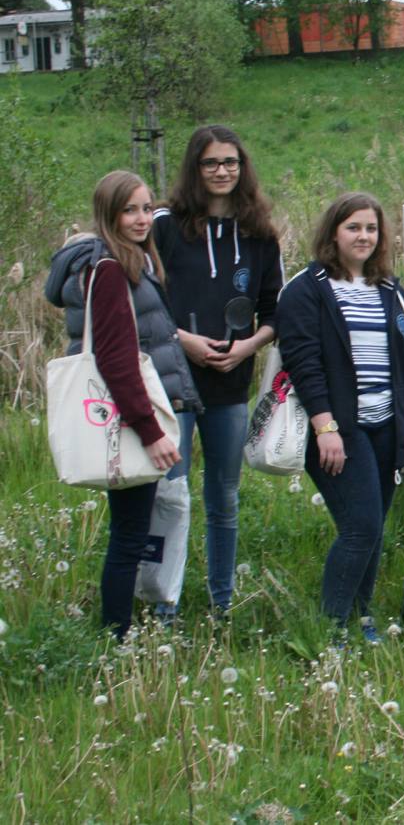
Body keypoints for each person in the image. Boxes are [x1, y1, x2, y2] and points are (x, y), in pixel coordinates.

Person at [44, 170, 201, 639]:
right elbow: (116, 360)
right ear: (108, 214)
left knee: (130, 529)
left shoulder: (126, 261)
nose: (141, 219)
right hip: (130, 419)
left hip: (127, 415)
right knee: (130, 534)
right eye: (129, 210)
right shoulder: (110, 269)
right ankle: (116, 637)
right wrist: (150, 432)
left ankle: (124, 628)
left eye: (147, 208)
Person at [276, 192, 404, 642]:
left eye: (371, 228)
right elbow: (304, 365)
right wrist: (325, 428)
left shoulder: (393, 293)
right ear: (333, 232)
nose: (364, 236)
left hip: (387, 425)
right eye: (353, 227)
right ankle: (330, 628)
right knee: (361, 527)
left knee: (372, 527)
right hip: (337, 429)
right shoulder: (307, 290)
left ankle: (362, 617)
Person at [154, 124, 284, 618]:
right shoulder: (165, 227)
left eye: (230, 162)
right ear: (195, 168)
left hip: (230, 385)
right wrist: (181, 340)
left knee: (224, 497)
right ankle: (164, 605)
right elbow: (143, 303)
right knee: (170, 494)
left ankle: (221, 601)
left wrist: (248, 346)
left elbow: (274, 312)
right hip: (172, 382)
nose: (222, 171)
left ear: (242, 167)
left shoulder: (259, 234)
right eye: (210, 163)